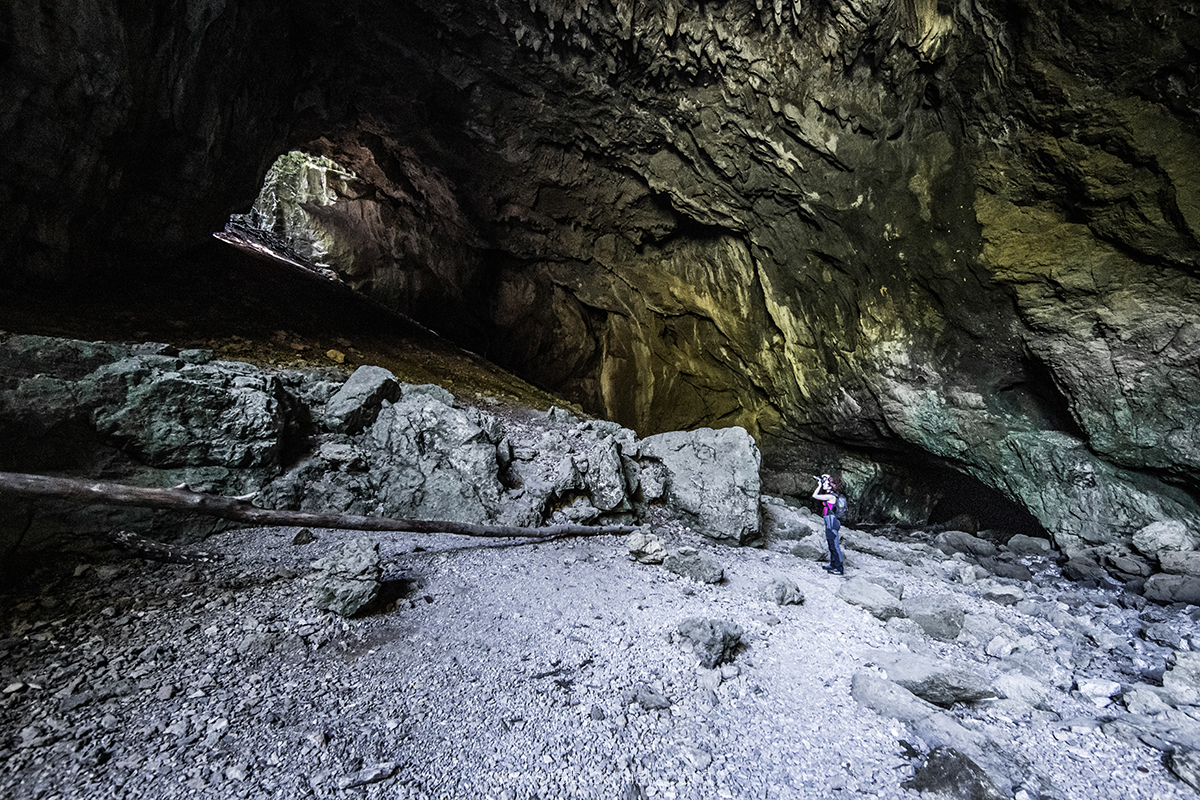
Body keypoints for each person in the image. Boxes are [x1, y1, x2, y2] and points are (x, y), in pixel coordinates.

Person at [812, 474, 844, 575]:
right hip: (831, 522)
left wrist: (819, 485)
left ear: (831, 486)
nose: (824, 484)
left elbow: (815, 496)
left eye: (826, 483)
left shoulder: (830, 496)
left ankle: (839, 568)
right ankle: (833, 564)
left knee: (835, 546)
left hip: (832, 522)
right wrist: (826, 477)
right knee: (831, 545)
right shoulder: (832, 495)